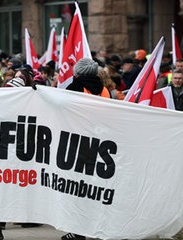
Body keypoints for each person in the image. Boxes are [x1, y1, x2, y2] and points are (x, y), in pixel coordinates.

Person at [61, 58, 110, 240]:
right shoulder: (105, 90)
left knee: (77, 189)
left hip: (78, 142)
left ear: (78, 72)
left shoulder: (75, 87)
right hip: (101, 143)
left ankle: (78, 231)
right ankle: (100, 227)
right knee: (96, 189)